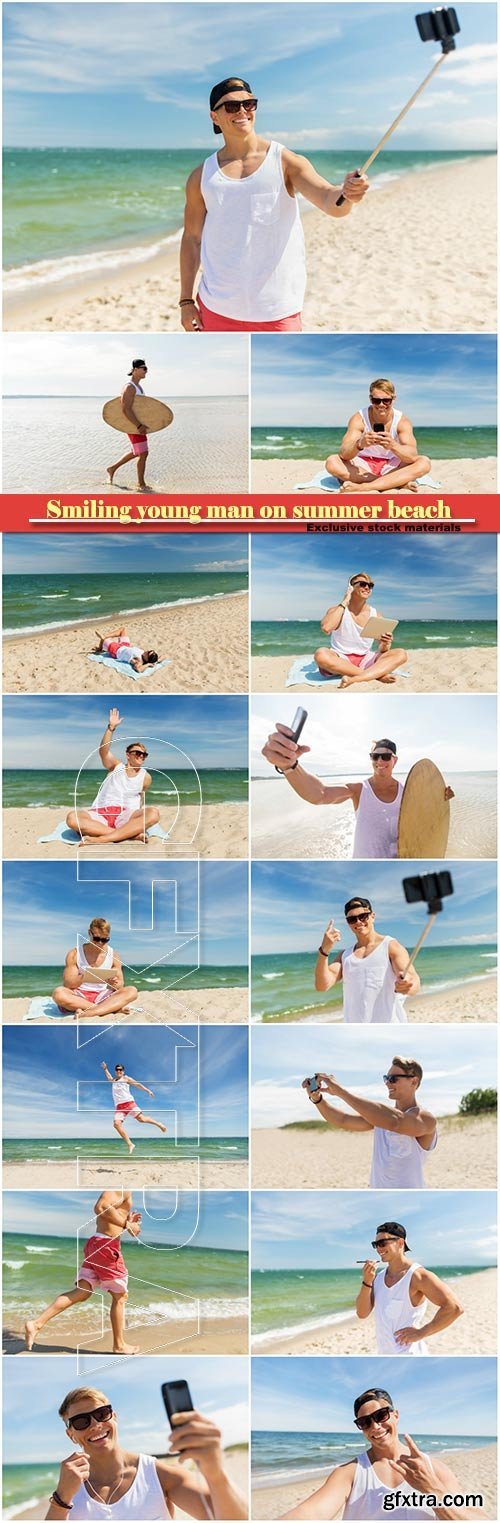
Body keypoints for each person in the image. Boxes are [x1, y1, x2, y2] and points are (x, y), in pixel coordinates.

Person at [179, 77, 369, 333]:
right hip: (215, 309)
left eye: (249, 104)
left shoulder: (285, 161)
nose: (243, 111)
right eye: (232, 107)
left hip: (278, 311)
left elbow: (330, 200)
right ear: (215, 117)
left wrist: (348, 193)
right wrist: (186, 301)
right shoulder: (201, 176)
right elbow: (192, 238)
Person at [45, 1383, 248, 1519]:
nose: (95, 1424)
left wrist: (216, 1475)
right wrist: (61, 1498)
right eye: (81, 1421)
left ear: (114, 1417)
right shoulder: (69, 1490)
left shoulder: (157, 1475)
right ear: (71, 1435)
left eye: (101, 1413)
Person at [280, 1385, 470, 1519]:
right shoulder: (350, 1473)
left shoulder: (433, 1469)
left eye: (381, 1416)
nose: (375, 1426)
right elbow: (312, 1513)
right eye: (365, 1422)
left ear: (396, 1415)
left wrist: (432, 1489)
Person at [260, 733, 454, 860]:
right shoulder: (359, 790)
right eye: (375, 756)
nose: (380, 761)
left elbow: (428, 823)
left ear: (394, 760)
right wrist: (289, 766)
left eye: (385, 757)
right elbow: (321, 794)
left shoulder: (409, 792)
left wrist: (439, 798)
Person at [24, 1191, 142, 1355]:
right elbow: (101, 1207)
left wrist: (127, 1222)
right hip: (106, 1246)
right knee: (120, 1297)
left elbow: (111, 1214)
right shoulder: (122, 1186)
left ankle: (36, 1323)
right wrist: (127, 1224)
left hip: (98, 1243)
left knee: (82, 1292)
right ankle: (119, 1345)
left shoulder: (125, 1189)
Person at [303, 1055, 438, 1189]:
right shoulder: (381, 1117)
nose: (387, 1083)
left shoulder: (426, 1119)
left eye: (393, 1079)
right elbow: (342, 1120)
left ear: (413, 1082)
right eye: (386, 1078)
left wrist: (341, 1092)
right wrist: (317, 1099)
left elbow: (396, 1122)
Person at [356, 1219, 464, 1356]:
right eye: (375, 1244)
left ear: (400, 1243)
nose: (378, 1249)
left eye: (382, 1243)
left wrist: (421, 1332)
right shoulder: (377, 1278)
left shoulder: (418, 1276)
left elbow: (455, 1308)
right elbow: (362, 1313)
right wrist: (367, 1281)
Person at [315, 897, 420, 1023]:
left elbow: (413, 980)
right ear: (348, 923)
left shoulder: (390, 946)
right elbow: (322, 985)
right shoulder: (346, 956)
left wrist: (407, 984)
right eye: (352, 919)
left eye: (363, 916)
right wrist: (324, 950)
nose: (358, 922)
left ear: (372, 916)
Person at [66, 708, 160, 846]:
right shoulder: (116, 766)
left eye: (144, 754)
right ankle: (127, 835)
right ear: (128, 754)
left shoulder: (146, 777)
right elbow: (103, 752)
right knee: (72, 818)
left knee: (154, 813)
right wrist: (111, 728)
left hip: (126, 815)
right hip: (100, 814)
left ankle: (103, 838)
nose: (141, 756)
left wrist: (137, 818)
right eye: (138, 753)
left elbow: (141, 797)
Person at [325, 377, 431, 494]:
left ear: (393, 399)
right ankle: (397, 483)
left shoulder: (402, 421)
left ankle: (364, 487)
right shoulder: (359, 418)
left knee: (424, 462)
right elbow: (343, 454)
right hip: (363, 466)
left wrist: (393, 445)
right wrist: (360, 444)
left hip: (392, 466)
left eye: (386, 400)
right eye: (376, 400)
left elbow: (412, 456)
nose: (381, 405)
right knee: (332, 462)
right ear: (370, 399)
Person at [313, 570, 407, 687]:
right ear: (351, 588)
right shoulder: (337, 610)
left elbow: (382, 650)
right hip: (341, 659)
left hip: (366, 659)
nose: (367, 588)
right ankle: (375, 676)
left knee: (401, 653)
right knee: (321, 654)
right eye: (363, 584)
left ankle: (357, 678)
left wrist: (385, 643)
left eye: (370, 585)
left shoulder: (375, 614)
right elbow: (326, 628)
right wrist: (345, 600)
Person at [52, 916, 139, 1020]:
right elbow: (68, 984)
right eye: (96, 939)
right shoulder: (75, 953)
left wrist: (114, 983)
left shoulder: (114, 955)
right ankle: (108, 1009)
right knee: (58, 993)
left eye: (105, 939)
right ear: (89, 933)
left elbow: (120, 985)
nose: (100, 943)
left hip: (102, 996)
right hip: (79, 996)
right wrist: (85, 976)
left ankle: (90, 1012)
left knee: (132, 991)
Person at [102, 1060, 168, 1154]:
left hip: (129, 1102)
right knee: (116, 1124)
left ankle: (159, 1124)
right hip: (119, 1107)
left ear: (123, 1071)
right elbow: (109, 1078)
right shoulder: (114, 1080)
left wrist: (147, 1090)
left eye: (120, 1070)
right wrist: (105, 1069)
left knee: (141, 1119)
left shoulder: (126, 1078)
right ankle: (130, 1144)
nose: (119, 1071)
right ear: (115, 1071)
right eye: (117, 1070)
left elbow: (137, 1084)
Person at [107, 361, 151, 491]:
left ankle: (112, 468)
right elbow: (125, 409)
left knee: (139, 451)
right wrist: (138, 425)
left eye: (146, 368)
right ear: (135, 369)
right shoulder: (129, 387)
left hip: (138, 424)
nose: (146, 371)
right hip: (133, 425)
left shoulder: (138, 387)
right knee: (143, 452)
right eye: (144, 368)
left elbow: (139, 408)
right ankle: (141, 484)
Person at [94, 626, 160, 674]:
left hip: (117, 651)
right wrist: (154, 662)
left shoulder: (139, 661)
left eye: (148, 653)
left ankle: (100, 647)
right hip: (125, 646)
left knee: (103, 639)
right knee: (123, 629)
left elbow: (138, 669)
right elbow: (164, 656)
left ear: (147, 658)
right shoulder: (144, 654)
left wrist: (148, 664)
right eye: (150, 650)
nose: (147, 651)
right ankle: (105, 636)